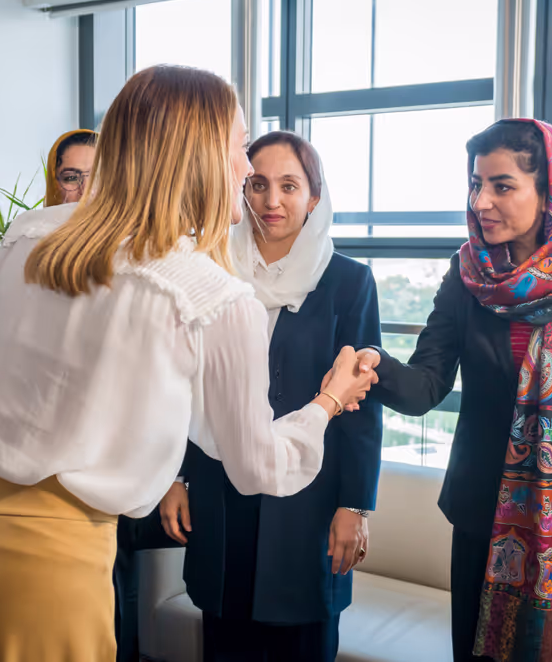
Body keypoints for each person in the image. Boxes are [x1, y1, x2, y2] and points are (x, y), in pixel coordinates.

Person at [0, 65, 374, 661]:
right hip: (44, 563)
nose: (245, 171)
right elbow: (257, 466)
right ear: (196, 155)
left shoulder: (29, 236)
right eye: (238, 148)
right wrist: (329, 400)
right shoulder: (213, 294)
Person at [349, 119, 552, 661]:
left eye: (502, 185)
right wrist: (371, 363)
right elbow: (426, 385)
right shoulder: (468, 274)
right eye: (476, 184)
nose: (481, 201)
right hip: (483, 522)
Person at [158, 131, 383, 662]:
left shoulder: (349, 282)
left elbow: (361, 403)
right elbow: (185, 384)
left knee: (301, 639)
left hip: (309, 498)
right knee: (225, 638)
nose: (271, 201)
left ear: (315, 197)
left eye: (289, 185)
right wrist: (174, 475)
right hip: (220, 487)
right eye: (257, 184)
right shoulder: (212, 270)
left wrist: (355, 504)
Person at [44, 129, 97, 206]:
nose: (85, 191)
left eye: (96, 177)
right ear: (55, 186)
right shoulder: (36, 218)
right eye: (72, 178)